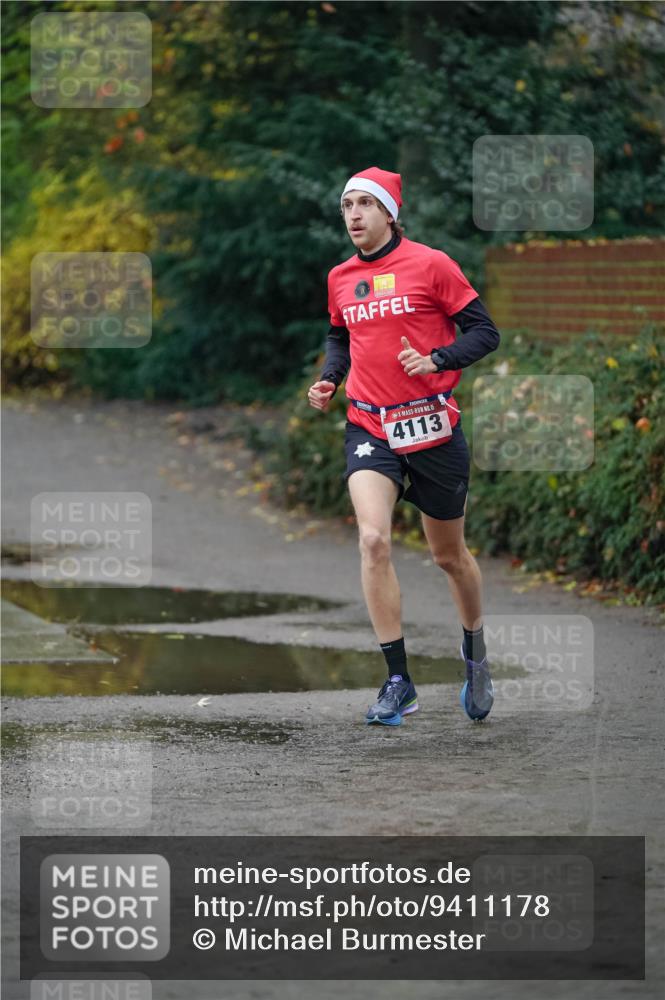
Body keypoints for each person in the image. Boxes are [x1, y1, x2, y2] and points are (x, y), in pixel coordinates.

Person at [307, 166, 500, 725]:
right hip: (370, 425)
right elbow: (341, 335)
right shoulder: (341, 276)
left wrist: (436, 360)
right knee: (373, 540)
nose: (354, 216)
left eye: (366, 205)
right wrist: (330, 377)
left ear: (390, 213)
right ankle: (399, 681)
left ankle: (475, 654)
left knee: (448, 557)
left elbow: (485, 332)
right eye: (347, 207)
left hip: (433, 427)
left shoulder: (431, 264)